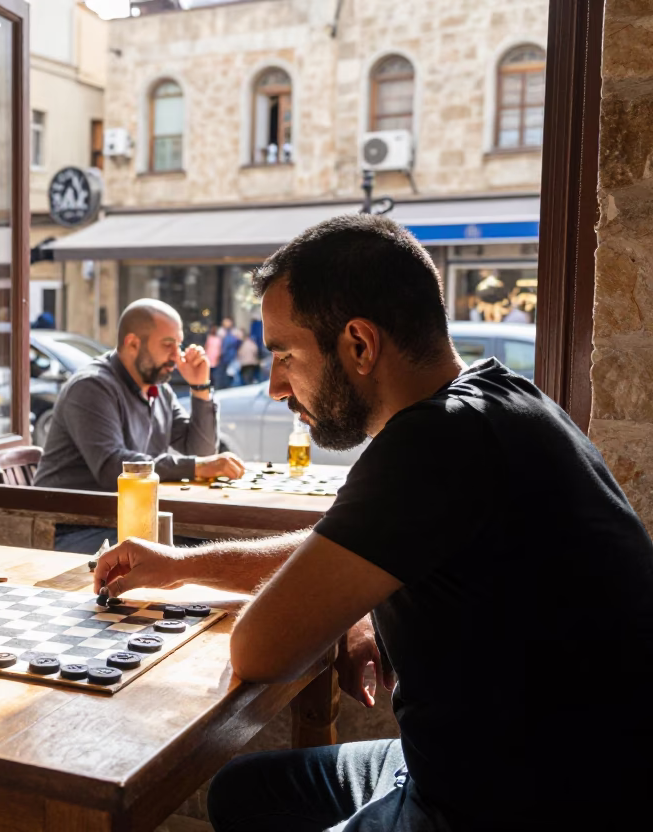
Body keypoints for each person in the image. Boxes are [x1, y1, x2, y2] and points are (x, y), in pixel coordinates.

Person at [94, 215, 653, 831]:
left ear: (359, 345)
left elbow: (257, 650)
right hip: (498, 769)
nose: (276, 386)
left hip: (514, 804)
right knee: (246, 792)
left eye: (285, 354)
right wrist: (180, 567)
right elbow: (346, 549)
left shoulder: (432, 443)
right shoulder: (501, 398)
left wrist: (344, 603)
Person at [35, 298, 245, 554]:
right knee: (204, 551)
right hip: (72, 528)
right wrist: (197, 467)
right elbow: (113, 465)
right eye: (168, 345)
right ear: (133, 343)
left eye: (178, 345)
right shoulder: (91, 387)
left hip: (126, 521)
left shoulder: (159, 390)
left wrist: (200, 388)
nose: (176, 356)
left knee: (217, 544)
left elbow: (202, 451)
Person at [219, 320, 242, 389]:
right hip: (230, 357)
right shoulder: (228, 335)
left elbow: (226, 347)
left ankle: (230, 386)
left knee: (229, 373)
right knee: (231, 373)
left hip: (229, 357)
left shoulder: (230, 335)